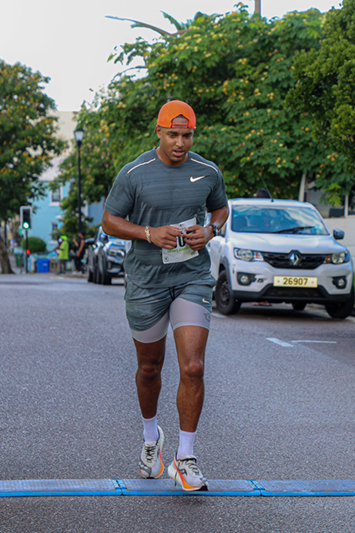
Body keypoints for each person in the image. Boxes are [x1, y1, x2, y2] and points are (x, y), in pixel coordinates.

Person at [102, 100, 229, 492]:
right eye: (172, 135)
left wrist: (210, 231)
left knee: (193, 366)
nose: (180, 143)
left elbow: (221, 210)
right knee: (149, 367)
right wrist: (148, 233)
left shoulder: (208, 171)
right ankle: (150, 438)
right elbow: (109, 221)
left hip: (191, 277)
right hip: (146, 281)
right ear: (158, 132)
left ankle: (185, 457)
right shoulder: (134, 173)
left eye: (186, 135)